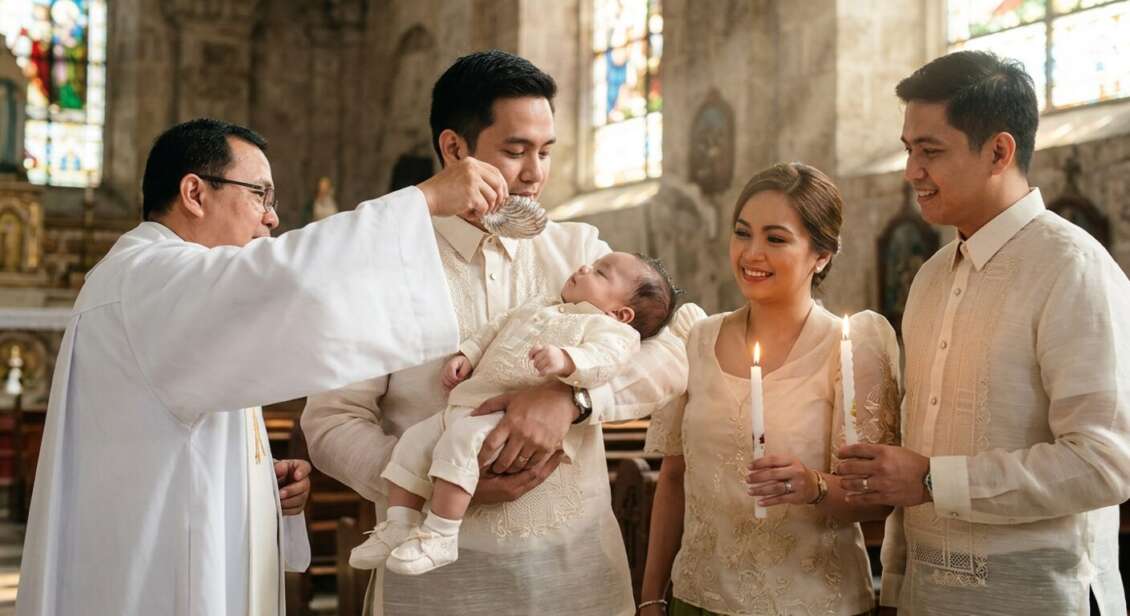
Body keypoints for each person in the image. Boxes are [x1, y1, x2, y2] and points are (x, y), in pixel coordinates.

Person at [16, 117, 508, 616]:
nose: (271, 218)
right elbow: (290, 275)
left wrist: (252, 478)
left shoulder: (168, 284)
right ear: (194, 192)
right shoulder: (151, 277)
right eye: (260, 195)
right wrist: (422, 200)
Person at [301, 49, 702, 615]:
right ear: (454, 149)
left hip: (576, 570)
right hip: (441, 583)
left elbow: (675, 348)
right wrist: (425, 480)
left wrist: (573, 398)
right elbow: (330, 422)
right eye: (515, 151)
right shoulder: (383, 268)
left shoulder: (582, 253)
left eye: (545, 151)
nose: (536, 173)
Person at [834, 51, 1130, 615]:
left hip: (1039, 596)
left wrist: (929, 480)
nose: (910, 172)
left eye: (930, 151)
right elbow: (915, 456)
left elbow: (1105, 463)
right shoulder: (928, 279)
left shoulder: (1072, 268)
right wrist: (896, 586)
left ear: (999, 151)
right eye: (907, 150)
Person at [639, 163, 901, 616]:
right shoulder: (695, 338)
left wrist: (812, 485)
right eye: (743, 233)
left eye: (775, 239)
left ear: (821, 254)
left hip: (810, 602)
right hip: (696, 597)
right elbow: (674, 479)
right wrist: (649, 597)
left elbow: (877, 503)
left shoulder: (853, 346)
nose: (751, 253)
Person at [351, 252, 677, 575]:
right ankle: (399, 525)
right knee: (412, 442)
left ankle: (440, 534)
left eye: (600, 273)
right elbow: (497, 328)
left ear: (620, 314)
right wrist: (469, 353)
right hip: (469, 401)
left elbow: (608, 358)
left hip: (504, 414)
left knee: (460, 444)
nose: (584, 266)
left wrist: (567, 362)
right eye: (594, 264)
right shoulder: (541, 304)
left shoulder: (610, 331)